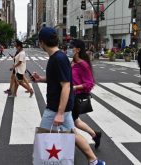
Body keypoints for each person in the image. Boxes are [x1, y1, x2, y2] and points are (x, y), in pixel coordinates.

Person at [32, 27, 105, 165]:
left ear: (42, 42)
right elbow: (59, 79)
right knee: (72, 135)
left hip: (55, 108)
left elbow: (66, 86)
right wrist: (41, 78)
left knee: (43, 138)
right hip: (59, 107)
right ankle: (94, 161)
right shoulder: (57, 57)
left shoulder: (58, 58)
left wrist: (59, 113)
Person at [71, 39, 102, 149]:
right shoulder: (73, 62)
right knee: (75, 121)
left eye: (72, 47)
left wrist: (74, 87)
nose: (71, 49)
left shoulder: (83, 64)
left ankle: (76, 145)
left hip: (75, 97)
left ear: (78, 49)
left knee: (69, 122)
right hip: (70, 96)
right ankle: (95, 134)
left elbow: (89, 84)